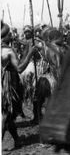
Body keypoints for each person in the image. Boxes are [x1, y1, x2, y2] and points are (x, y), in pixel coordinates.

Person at [2, 21, 37, 149]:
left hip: (5, 81)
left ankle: (16, 139)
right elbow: (20, 68)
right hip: (8, 84)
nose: (11, 35)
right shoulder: (8, 51)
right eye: (9, 34)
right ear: (4, 36)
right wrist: (30, 53)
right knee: (6, 114)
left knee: (8, 115)